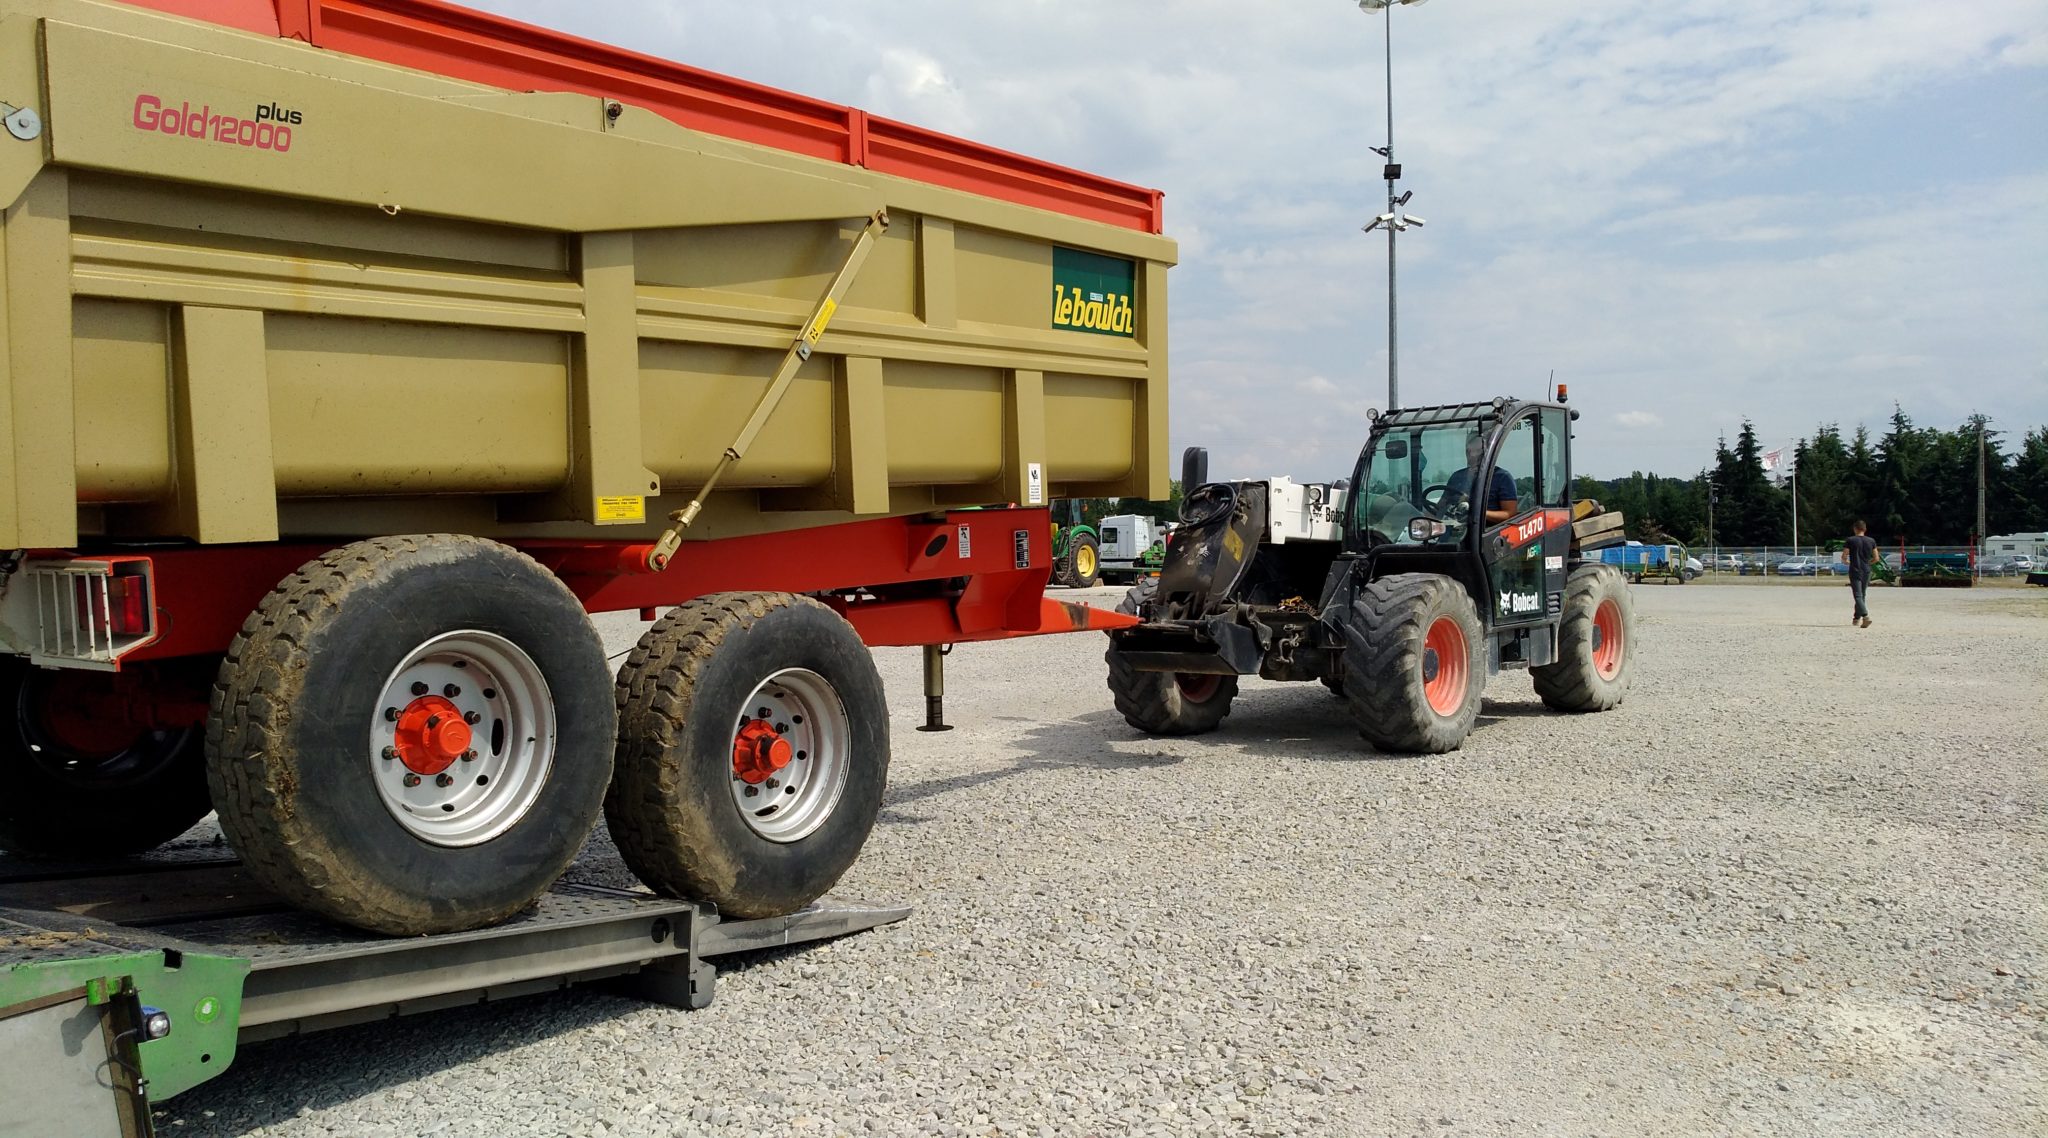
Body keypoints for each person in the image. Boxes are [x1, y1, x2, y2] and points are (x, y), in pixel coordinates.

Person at [1443, 433, 1519, 525]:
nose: (1472, 455)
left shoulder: (1502, 478)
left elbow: (1509, 514)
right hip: (1455, 530)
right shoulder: (1457, 477)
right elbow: (1440, 506)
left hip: (1486, 531)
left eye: (1477, 451)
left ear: (1486, 453)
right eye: (1469, 451)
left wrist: (1475, 511)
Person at [1845, 520, 1879, 628]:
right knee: (1862, 594)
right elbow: (1876, 558)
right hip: (1866, 570)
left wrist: (1847, 562)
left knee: (1857, 595)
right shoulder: (1871, 541)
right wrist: (1868, 563)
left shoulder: (1850, 540)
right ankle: (1856, 618)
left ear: (1855, 529)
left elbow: (1844, 556)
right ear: (1865, 529)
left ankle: (1866, 616)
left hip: (1855, 569)